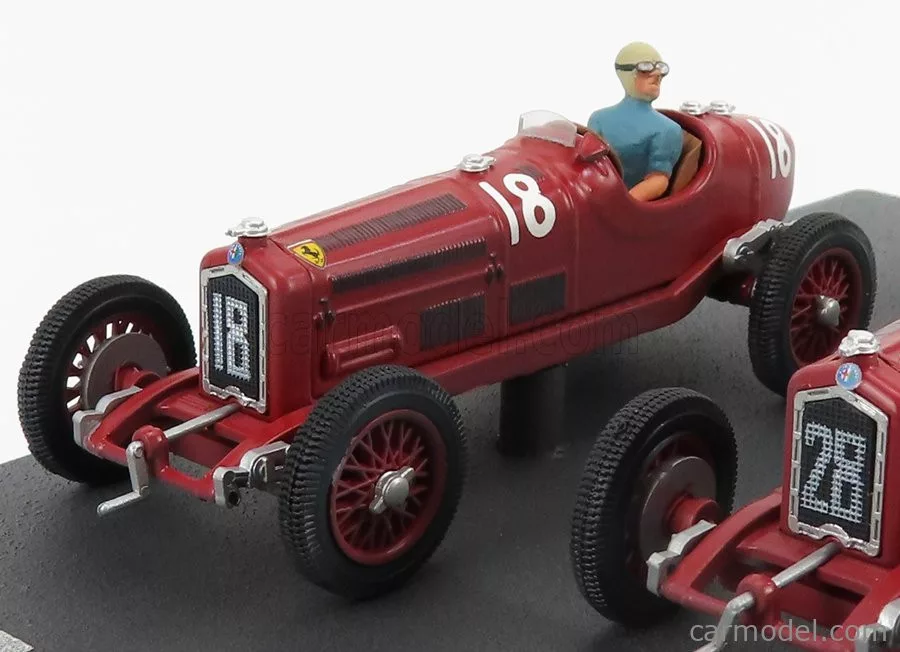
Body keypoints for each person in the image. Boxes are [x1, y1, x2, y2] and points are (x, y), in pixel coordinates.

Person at [587, 41, 682, 201]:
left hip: (629, 208)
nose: (657, 74)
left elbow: (658, 180)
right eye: (645, 68)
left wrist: (623, 205)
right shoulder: (598, 119)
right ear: (625, 74)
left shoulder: (667, 130)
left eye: (660, 68)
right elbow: (588, 167)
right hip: (594, 198)